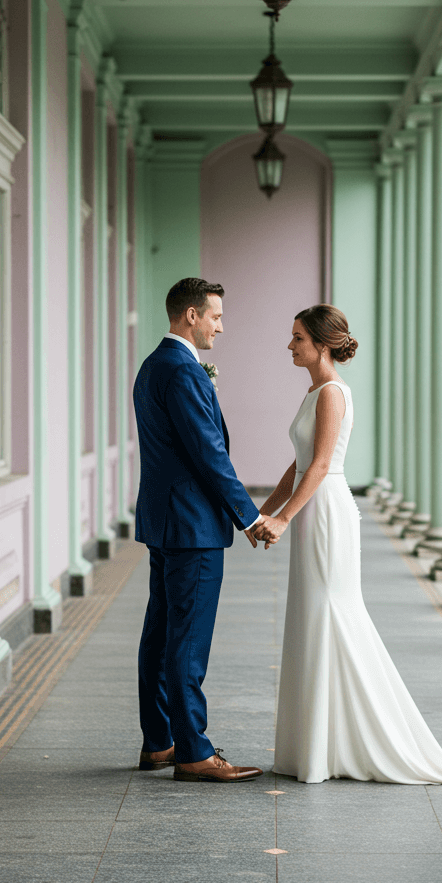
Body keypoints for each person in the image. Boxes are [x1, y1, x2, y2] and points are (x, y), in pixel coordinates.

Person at [254, 304, 442, 786]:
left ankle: (357, 739)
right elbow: (295, 465)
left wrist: (284, 519)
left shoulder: (332, 393)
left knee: (332, 611)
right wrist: (259, 514)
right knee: (312, 616)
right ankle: (319, 744)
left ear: (321, 343)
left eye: (297, 337)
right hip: (312, 506)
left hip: (327, 509)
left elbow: (318, 468)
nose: (289, 346)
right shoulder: (313, 392)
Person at [133, 278, 264, 783]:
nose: (220, 326)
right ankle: (194, 752)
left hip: (166, 522)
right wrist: (248, 516)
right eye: (216, 316)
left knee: (161, 633)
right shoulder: (183, 370)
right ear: (191, 314)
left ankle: (160, 741)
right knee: (186, 640)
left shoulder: (153, 366)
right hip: (193, 527)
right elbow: (208, 452)